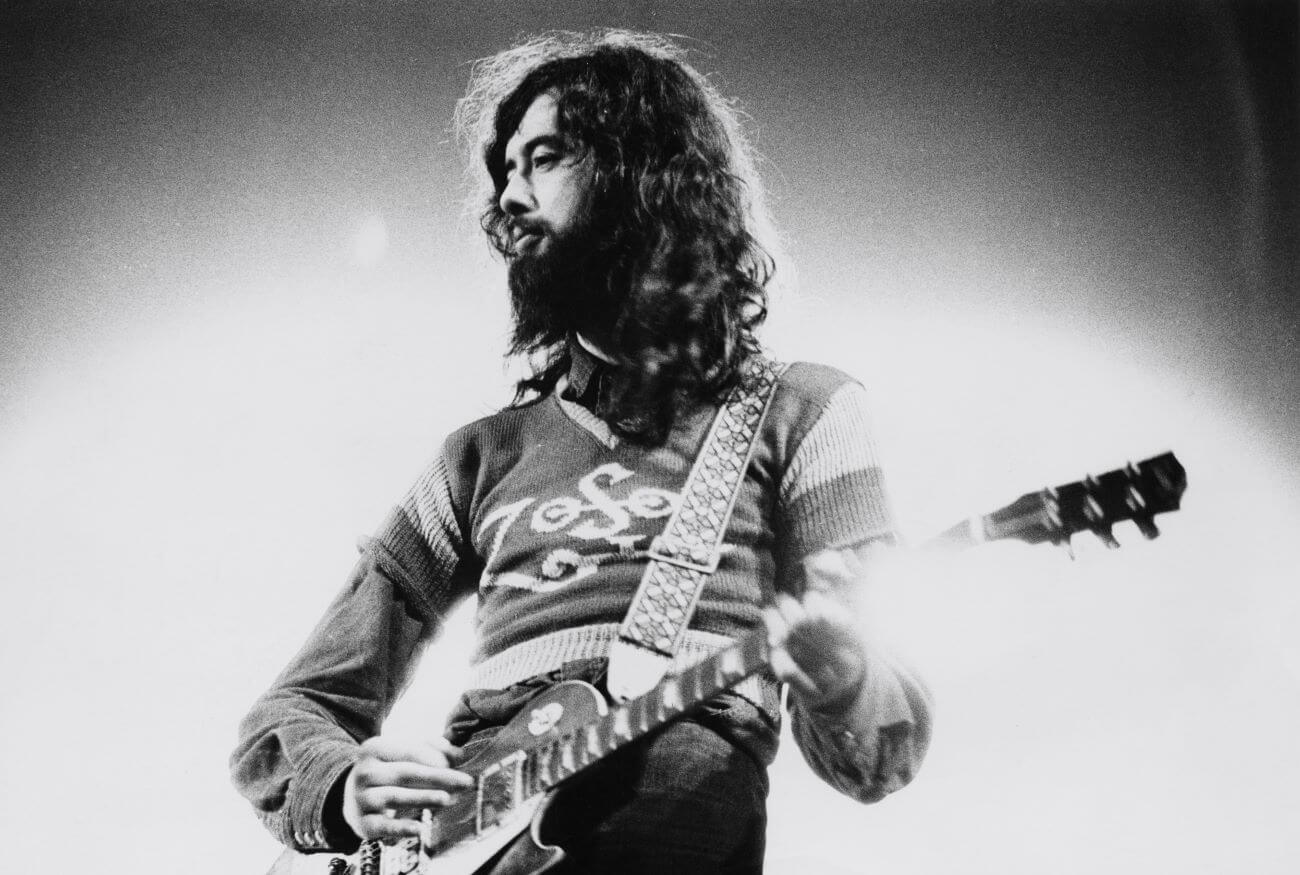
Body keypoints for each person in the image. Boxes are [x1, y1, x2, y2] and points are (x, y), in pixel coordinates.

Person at [232, 30, 932, 874]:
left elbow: (878, 756)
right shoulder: (477, 457)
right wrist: (341, 786)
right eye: (507, 171)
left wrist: (843, 673)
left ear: (646, 173)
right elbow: (294, 706)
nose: (510, 199)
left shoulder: (804, 410)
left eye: (546, 158)